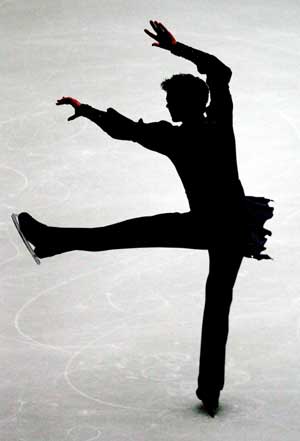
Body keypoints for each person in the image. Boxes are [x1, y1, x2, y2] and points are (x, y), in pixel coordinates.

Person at [12, 20, 274, 417]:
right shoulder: (220, 120)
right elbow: (220, 72)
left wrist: (88, 111)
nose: (166, 105)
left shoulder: (175, 137)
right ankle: (210, 392)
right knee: (217, 304)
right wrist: (176, 47)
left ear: (184, 104)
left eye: (170, 100)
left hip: (206, 225)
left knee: (124, 233)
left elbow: (124, 130)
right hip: (237, 225)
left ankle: (49, 240)